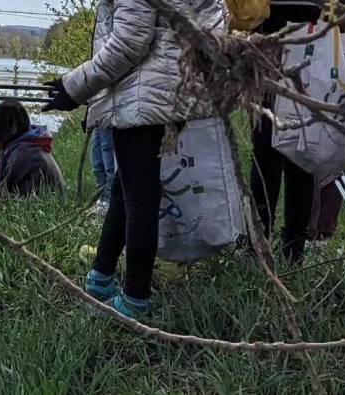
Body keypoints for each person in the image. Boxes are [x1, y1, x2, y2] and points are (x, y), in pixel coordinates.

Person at [42, 0, 225, 319]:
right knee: (125, 186)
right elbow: (214, 24)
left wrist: (75, 88)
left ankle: (135, 299)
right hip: (173, 91)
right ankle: (101, 277)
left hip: (141, 96)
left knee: (139, 199)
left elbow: (129, 41)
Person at [249, 0, 330, 265]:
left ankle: (293, 245)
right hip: (271, 38)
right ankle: (262, 240)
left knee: (298, 146)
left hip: (310, 39)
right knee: (266, 146)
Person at [0, 100, 65, 195]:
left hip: (45, 206)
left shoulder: (25, 152)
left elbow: (2, 189)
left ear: (9, 129)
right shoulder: (15, 146)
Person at [91, 126, 116, 207]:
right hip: (98, 119)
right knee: (97, 163)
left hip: (109, 118)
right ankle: (101, 198)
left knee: (109, 164)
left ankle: (109, 200)